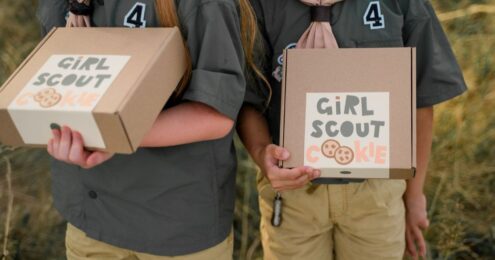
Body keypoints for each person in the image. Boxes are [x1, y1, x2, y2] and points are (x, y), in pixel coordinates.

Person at [238, 0, 467, 259]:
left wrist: (414, 196)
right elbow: (249, 97)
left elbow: (421, 99)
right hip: (292, 194)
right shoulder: (257, 6)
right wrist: (261, 153)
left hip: (377, 192)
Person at [37, 0, 261, 258]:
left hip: (176, 225)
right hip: (92, 220)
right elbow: (52, 85)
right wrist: (61, 133)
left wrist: (114, 134)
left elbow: (216, 114)